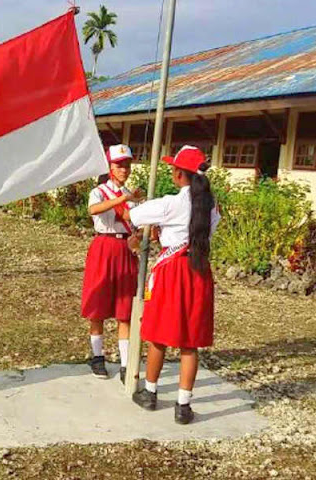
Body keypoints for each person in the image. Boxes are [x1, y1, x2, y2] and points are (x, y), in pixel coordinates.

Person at [125, 145, 220, 425]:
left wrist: (133, 202)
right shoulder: (211, 206)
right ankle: (183, 405)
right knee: (190, 342)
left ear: (180, 174)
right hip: (199, 270)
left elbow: (134, 215)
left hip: (173, 271)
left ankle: (151, 392)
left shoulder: (170, 203)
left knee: (159, 334)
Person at [81, 144, 143, 382]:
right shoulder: (100, 191)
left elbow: (135, 222)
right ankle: (97, 357)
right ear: (110, 167)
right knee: (98, 305)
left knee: (124, 308)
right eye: (119, 165)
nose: (124, 169)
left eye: (127, 165)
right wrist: (123, 198)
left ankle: (126, 364)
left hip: (125, 248)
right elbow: (93, 210)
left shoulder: (131, 195)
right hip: (104, 247)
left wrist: (138, 237)